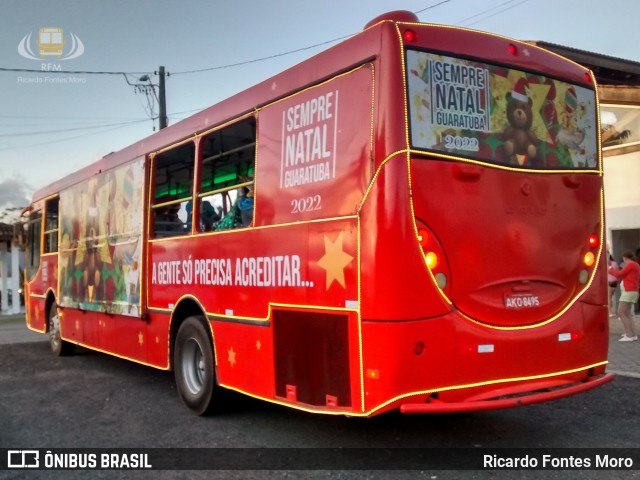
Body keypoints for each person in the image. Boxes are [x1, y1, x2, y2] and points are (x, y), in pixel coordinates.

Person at [609, 250, 640, 342]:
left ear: (625, 258)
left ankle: (629, 335)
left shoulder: (631, 265)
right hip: (632, 290)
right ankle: (633, 334)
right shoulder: (635, 265)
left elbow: (619, 274)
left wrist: (610, 269)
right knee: (627, 314)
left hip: (629, 291)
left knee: (621, 312)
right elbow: (623, 275)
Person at [607, 252, 619, 317]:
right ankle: (610, 311)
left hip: (609, 281)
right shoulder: (615, 263)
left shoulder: (606, 264)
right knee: (610, 297)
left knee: (609, 298)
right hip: (615, 281)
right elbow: (617, 272)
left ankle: (610, 312)